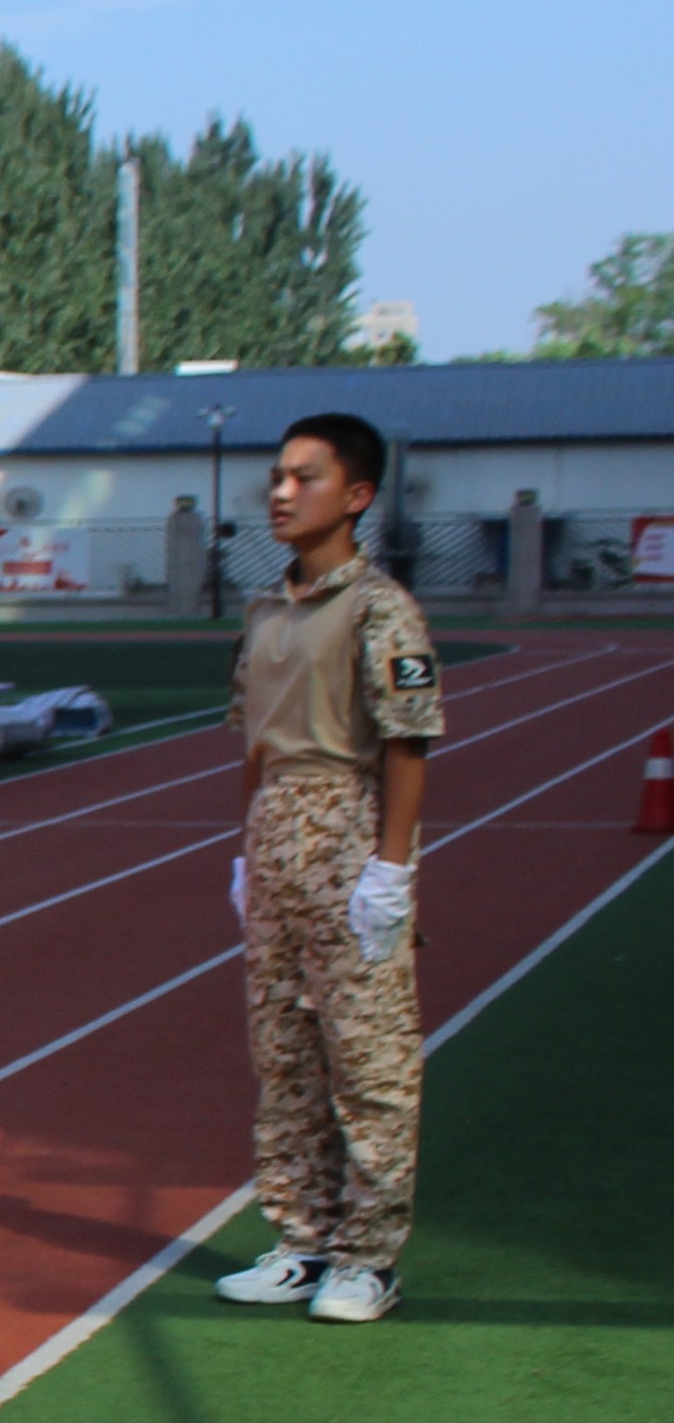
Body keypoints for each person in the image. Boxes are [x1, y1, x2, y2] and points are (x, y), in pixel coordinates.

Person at [213, 411, 436, 1324]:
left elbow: (407, 745)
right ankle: (301, 1239)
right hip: (274, 834)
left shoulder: (381, 608)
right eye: (275, 475)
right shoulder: (266, 610)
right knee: (283, 1052)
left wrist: (390, 873)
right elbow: (252, 746)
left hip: (348, 831)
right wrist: (243, 849)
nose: (279, 491)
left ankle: (368, 1257)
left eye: (304, 477)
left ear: (355, 497)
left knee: (369, 1056)